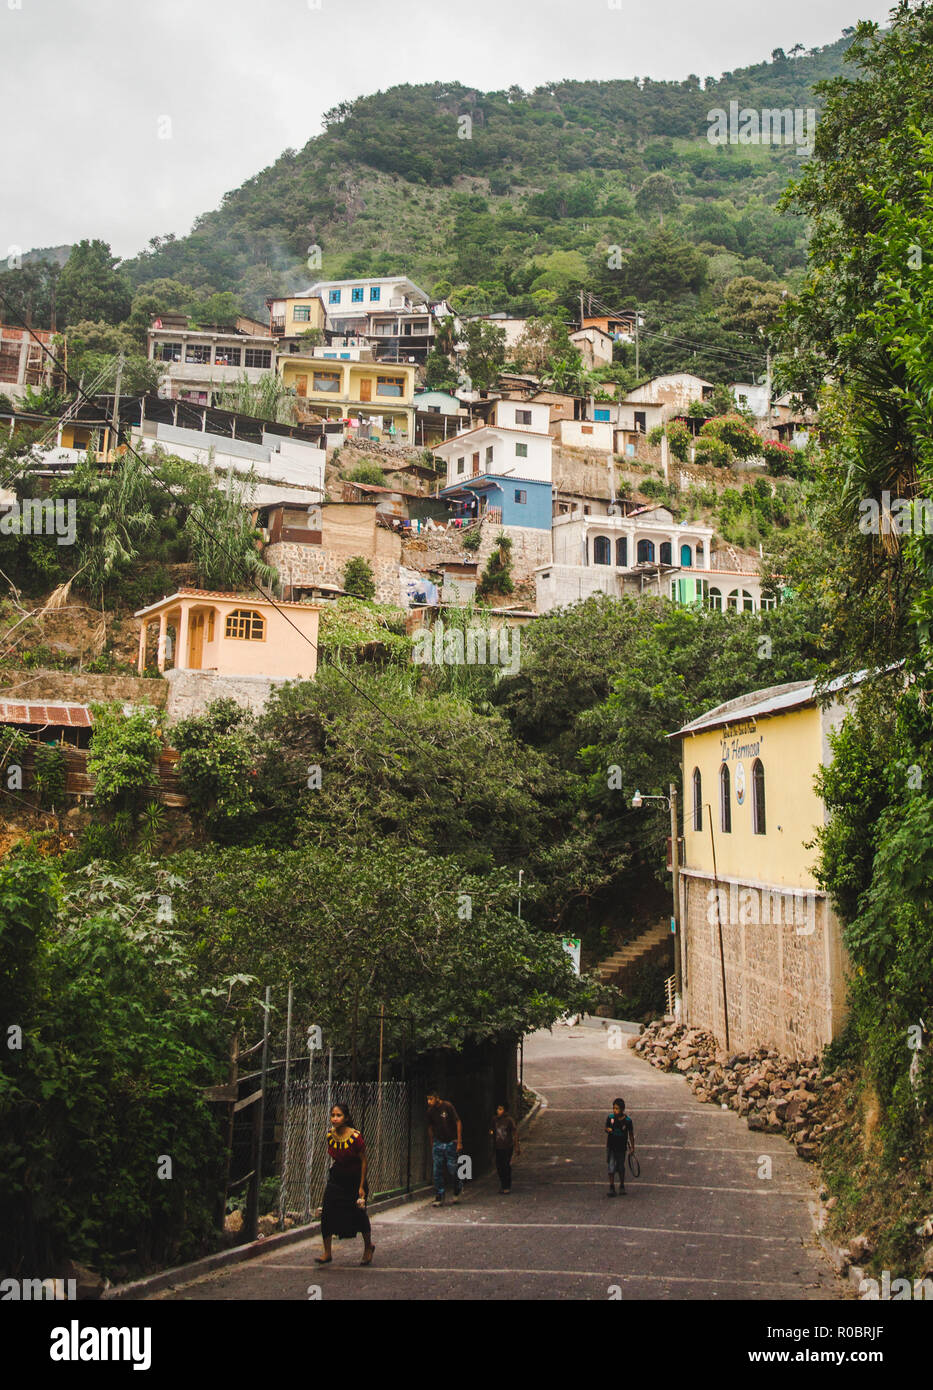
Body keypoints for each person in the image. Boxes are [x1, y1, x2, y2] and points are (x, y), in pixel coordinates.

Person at [316, 1103, 375, 1265]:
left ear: (346, 1118)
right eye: (333, 1115)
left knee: (359, 1214)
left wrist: (361, 1186)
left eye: (338, 1115)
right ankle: (327, 1252)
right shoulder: (330, 1135)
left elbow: (364, 1161)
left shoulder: (355, 1137)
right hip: (337, 1179)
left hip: (354, 1179)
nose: (335, 1118)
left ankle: (368, 1247)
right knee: (327, 1211)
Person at [427, 1090, 463, 1207]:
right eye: (427, 1099)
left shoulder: (447, 1106)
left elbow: (458, 1121)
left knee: (452, 1168)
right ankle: (439, 1195)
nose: (429, 1102)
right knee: (437, 1170)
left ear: (437, 1098)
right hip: (438, 1142)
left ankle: (457, 1188)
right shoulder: (430, 1111)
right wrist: (432, 1142)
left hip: (450, 1142)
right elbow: (430, 1127)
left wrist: (458, 1141)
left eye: (431, 1099)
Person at [605, 1097, 634, 1197]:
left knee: (621, 1166)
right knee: (611, 1166)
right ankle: (612, 1186)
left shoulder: (628, 1121)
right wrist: (608, 1129)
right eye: (614, 1108)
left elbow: (630, 1134)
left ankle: (622, 1185)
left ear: (622, 1109)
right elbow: (606, 1127)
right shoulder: (610, 1118)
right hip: (611, 1146)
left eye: (617, 1108)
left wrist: (632, 1147)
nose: (615, 1110)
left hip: (621, 1148)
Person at [489, 1103, 519, 1194]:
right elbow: (492, 1131)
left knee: (506, 1165)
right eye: (498, 1109)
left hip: (507, 1147)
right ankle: (503, 1184)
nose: (498, 1111)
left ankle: (507, 1186)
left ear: (505, 1110)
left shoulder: (509, 1120)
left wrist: (516, 1146)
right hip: (498, 1147)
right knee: (499, 1166)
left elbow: (514, 1133)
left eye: (501, 1109)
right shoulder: (494, 1120)